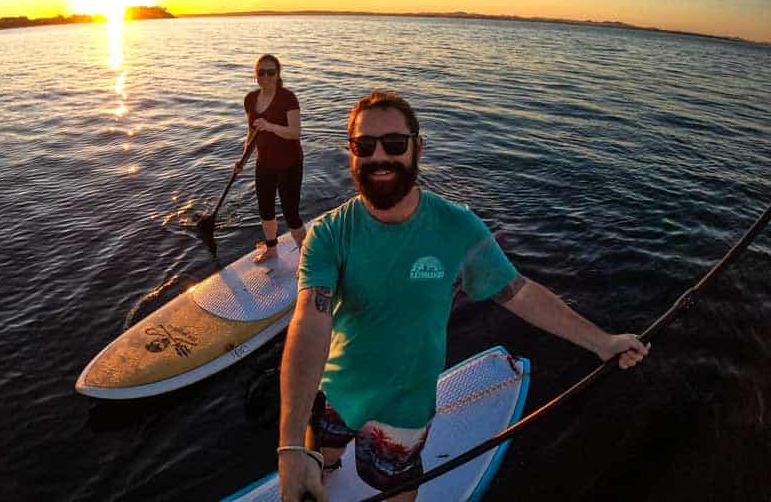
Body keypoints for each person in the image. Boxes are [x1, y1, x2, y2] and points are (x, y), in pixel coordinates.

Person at [277, 90, 650, 502]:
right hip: (334, 390)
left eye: (395, 144)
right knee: (322, 460)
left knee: (394, 491)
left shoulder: (458, 227)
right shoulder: (329, 233)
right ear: (351, 153)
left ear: (418, 147)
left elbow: (519, 292)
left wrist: (602, 342)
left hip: (404, 410)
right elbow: (310, 320)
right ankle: (322, 468)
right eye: (364, 145)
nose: (379, 156)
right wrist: (291, 445)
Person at [235, 54, 306, 263]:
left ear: (277, 75)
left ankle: (306, 257)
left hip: (289, 164)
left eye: (270, 72)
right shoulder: (250, 99)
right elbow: (252, 134)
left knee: (290, 213)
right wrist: (242, 160)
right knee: (265, 209)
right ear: (255, 75)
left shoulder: (288, 98)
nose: (266, 76)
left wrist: (270, 126)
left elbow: (295, 132)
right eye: (261, 72)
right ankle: (272, 249)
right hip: (264, 162)